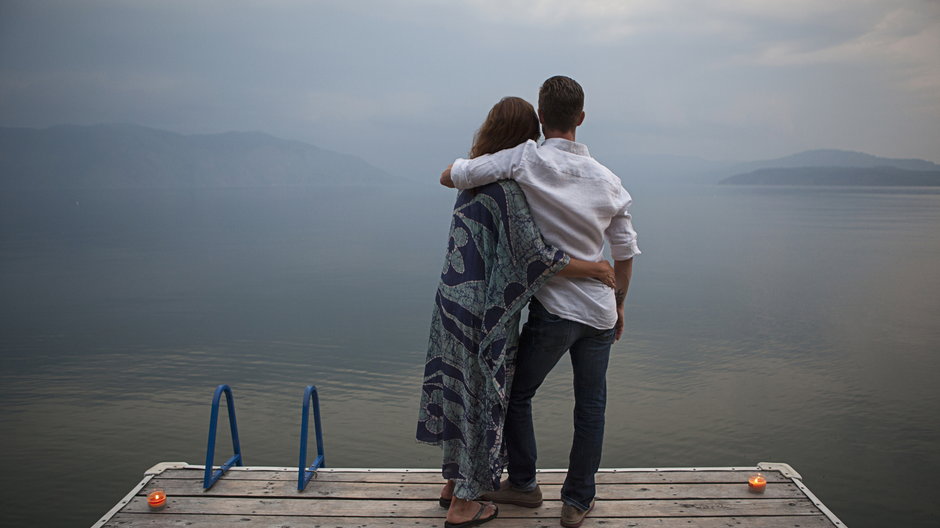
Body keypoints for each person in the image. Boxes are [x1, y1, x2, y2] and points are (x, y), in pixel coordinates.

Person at [440, 76, 640, 528]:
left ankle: (526, 485)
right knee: (591, 405)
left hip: (554, 313)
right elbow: (624, 254)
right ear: (582, 119)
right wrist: (621, 305)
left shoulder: (525, 159)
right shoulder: (610, 181)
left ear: (541, 117)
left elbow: (455, 175)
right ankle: (577, 501)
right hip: (601, 312)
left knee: (516, 394)